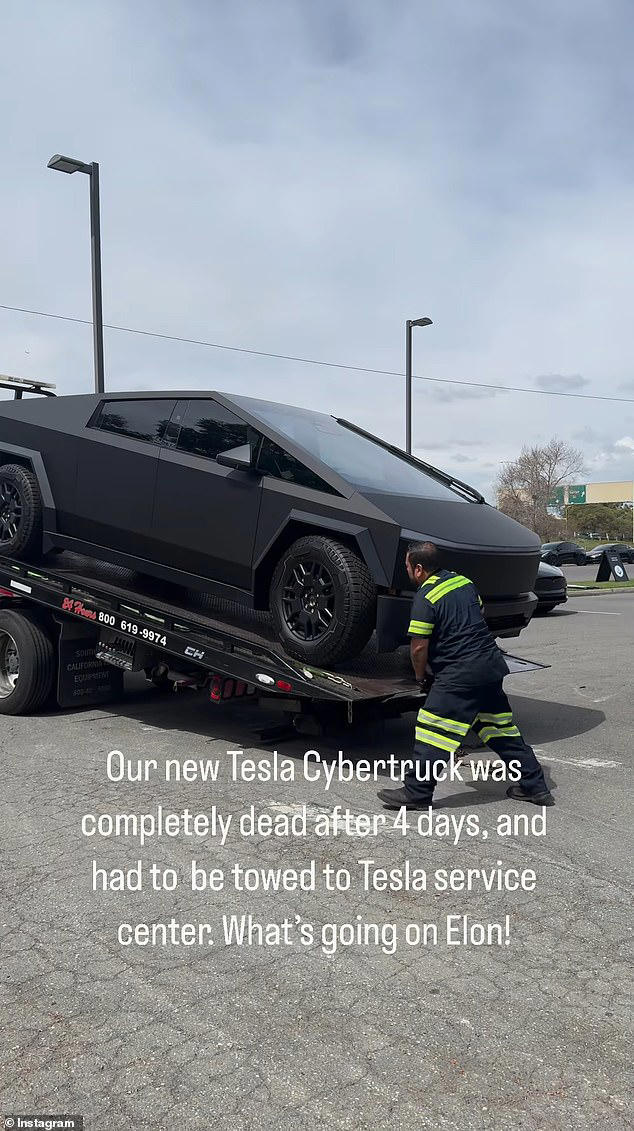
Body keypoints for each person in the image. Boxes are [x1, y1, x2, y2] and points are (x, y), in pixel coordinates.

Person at [377, 541, 554, 810]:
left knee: (432, 731)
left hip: (460, 674)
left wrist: (419, 674)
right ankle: (535, 786)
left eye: (407, 566)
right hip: (490, 666)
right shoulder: (463, 582)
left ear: (420, 569)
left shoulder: (426, 596)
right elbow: (478, 613)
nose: (408, 571)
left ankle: (416, 793)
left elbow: (419, 645)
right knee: (499, 729)